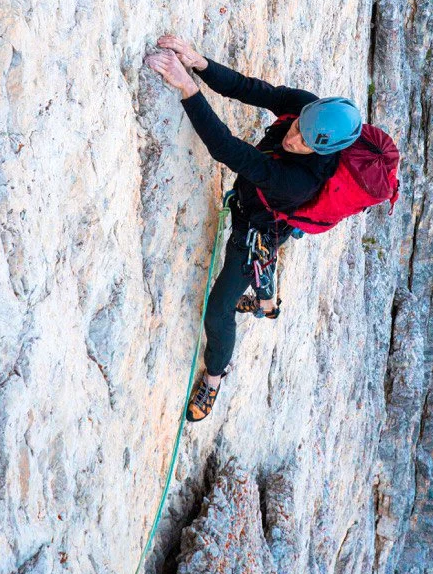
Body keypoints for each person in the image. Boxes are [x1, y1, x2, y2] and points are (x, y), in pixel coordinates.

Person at [144, 34, 362, 422]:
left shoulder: (300, 181)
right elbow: (251, 89)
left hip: (257, 230)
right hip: (262, 211)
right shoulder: (306, 110)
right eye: (297, 127)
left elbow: (228, 149)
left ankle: (213, 379)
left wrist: (187, 88)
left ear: (325, 150)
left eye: (305, 141)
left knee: (218, 310)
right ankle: (267, 304)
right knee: (265, 267)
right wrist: (200, 62)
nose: (293, 137)